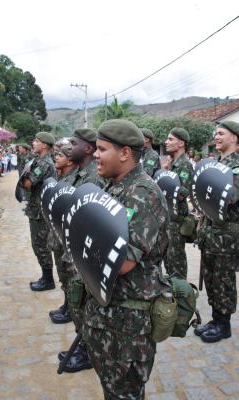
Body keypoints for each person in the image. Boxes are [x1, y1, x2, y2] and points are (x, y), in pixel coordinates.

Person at [83, 119, 170, 399]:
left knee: (125, 393)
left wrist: (84, 241)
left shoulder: (143, 194)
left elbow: (123, 263)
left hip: (128, 324)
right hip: (107, 315)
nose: (95, 155)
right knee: (112, 390)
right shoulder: (113, 188)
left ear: (124, 153)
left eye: (102, 149)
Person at [57, 128, 105, 373]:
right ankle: (83, 346)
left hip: (82, 255)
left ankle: (86, 352)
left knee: (82, 303)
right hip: (71, 249)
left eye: (74, 143)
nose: (69, 147)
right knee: (76, 302)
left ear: (88, 148)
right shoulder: (77, 173)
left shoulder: (93, 179)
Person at [195, 121, 239, 342]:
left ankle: (224, 325)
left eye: (221, 133)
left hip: (227, 236)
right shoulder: (217, 165)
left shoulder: (236, 166)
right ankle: (215, 319)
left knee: (223, 280)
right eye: (215, 133)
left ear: (235, 138)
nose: (216, 136)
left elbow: (230, 197)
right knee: (211, 278)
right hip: (212, 233)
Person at [21, 131, 57, 291]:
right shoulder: (38, 160)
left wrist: (24, 175)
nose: (33, 143)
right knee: (38, 244)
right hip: (36, 209)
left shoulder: (44, 163)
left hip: (40, 211)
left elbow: (28, 183)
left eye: (36, 141)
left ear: (44, 145)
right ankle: (45, 277)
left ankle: (48, 280)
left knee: (40, 244)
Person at [48, 145, 77, 324]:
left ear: (70, 160)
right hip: (58, 234)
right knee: (62, 275)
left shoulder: (74, 179)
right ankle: (67, 305)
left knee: (69, 276)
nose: (56, 157)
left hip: (67, 236)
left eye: (60, 155)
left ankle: (70, 310)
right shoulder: (60, 176)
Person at [163, 127, 193, 279]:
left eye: (170, 139)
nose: (166, 142)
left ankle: (182, 299)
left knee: (176, 266)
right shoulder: (173, 164)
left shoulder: (185, 165)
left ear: (181, 143)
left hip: (176, 221)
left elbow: (181, 193)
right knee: (168, 263)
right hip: (168, 219)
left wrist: (164, 183)